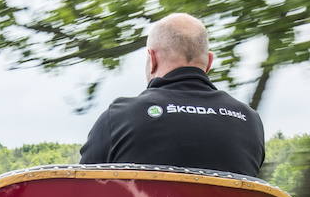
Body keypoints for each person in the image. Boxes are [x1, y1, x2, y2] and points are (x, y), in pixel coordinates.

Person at [79, 13, 265, 177]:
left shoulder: (119, 117)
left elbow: (79, 193)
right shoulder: (250, 121)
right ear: (209, 62)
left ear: (152, 59)